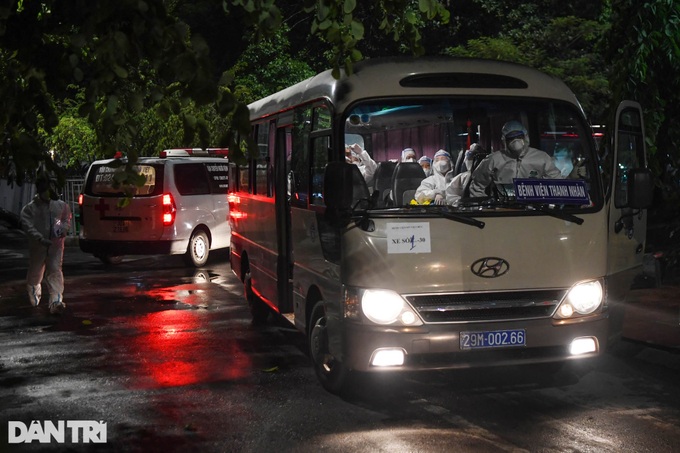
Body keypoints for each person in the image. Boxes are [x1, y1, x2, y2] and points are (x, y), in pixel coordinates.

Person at [469, 120, 581, 197]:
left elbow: (558, 184)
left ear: (526, 137)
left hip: (534, 211)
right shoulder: (494, 160)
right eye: (511, 138)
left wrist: (571, 178)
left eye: (519, 136)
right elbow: (477, 186)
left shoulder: (541, 158)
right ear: (504, 140)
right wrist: (486, 210)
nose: (516, 141)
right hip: (503, 211)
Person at [20, 176, 72, 314]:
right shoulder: (30, 209)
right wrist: (39, 238)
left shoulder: (60, 206)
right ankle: (34, 293)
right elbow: (28, 226)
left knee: (55, 270)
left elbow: (64, 220)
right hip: (38, 246)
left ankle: (56, 301)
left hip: (55, 245)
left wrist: (63, 230)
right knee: (35, 272)